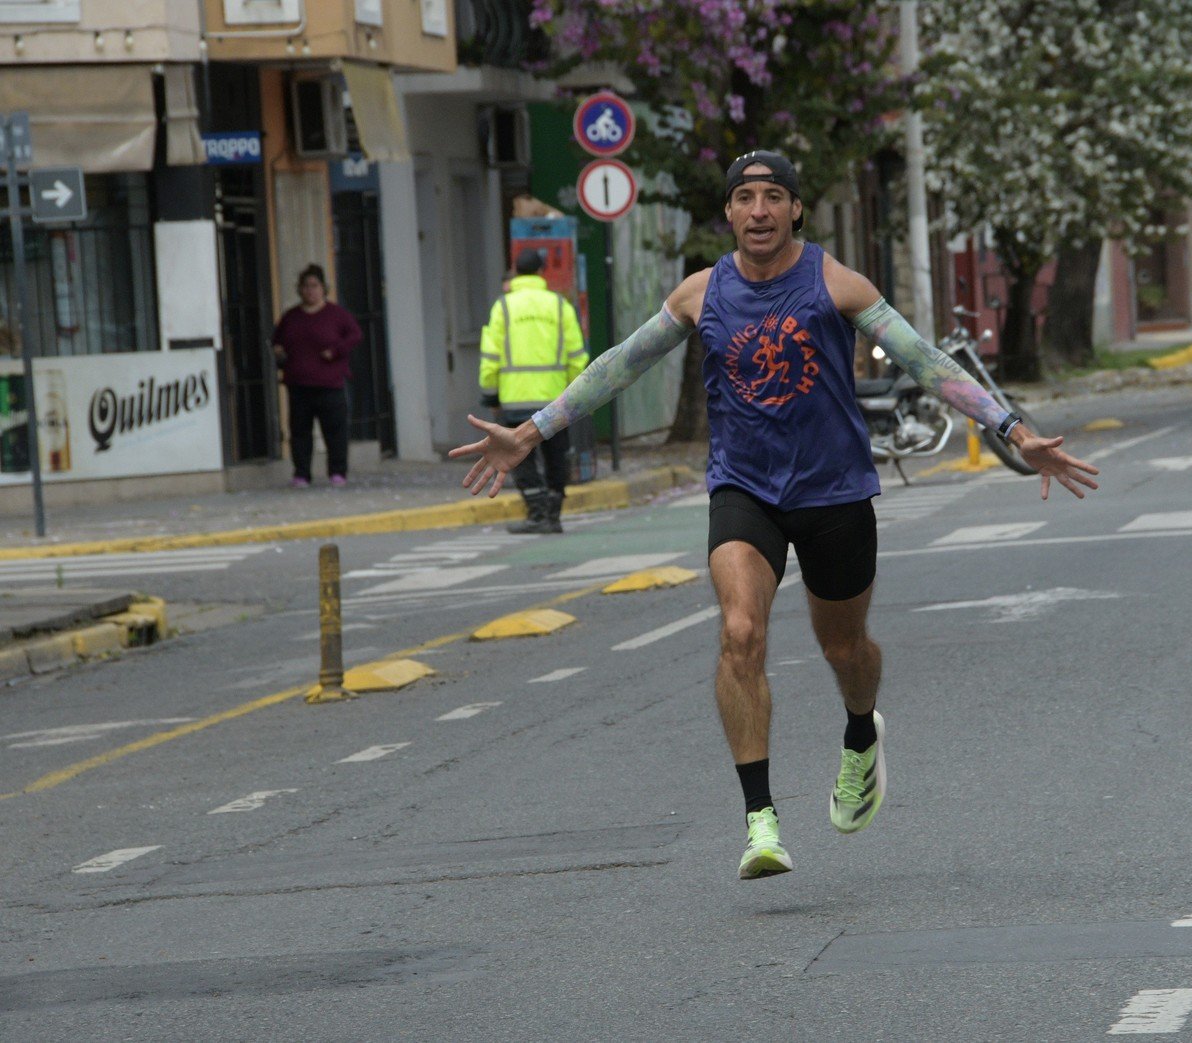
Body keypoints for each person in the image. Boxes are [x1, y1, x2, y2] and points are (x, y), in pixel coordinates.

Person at [450, 149, 1100, 880]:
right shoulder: (700, 294)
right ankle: (760, 820)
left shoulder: (835, 283)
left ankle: (860, 735)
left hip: (834, 492)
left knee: (845, 650)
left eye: (772, 197)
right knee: (739, 631)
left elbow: (925, 362)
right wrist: (530, 432)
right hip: (745, 488)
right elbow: (618, 365)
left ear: (794, 209)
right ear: (726, 212)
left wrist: (1014, 432)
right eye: (744, 197)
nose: (757, 210)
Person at [479, 247, 588, 534]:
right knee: (557, 455)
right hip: (555, 399)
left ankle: (536, 512)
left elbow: (490, 357)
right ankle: (553, 514)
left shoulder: (503, 307)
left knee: (520, 456)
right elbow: (577, 356)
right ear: (541, 272)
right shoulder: (559, 306)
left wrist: (491, 395)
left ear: (515, 271)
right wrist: (573, 393)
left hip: (515, 398)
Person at [272, 264, 361, 488]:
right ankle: (301, 473)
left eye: (314, 286)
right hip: (299, 384)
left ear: (323, 288)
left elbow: (355, 335)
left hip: (329, 383)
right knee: (300, 432)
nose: (310, 291)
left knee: (335, 431)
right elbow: (277, 341)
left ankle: (337, 472)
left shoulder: (336, 314)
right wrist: (279, 352)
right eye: (305, 287)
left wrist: (336, 350)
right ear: (299, 290)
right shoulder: (291, 317)